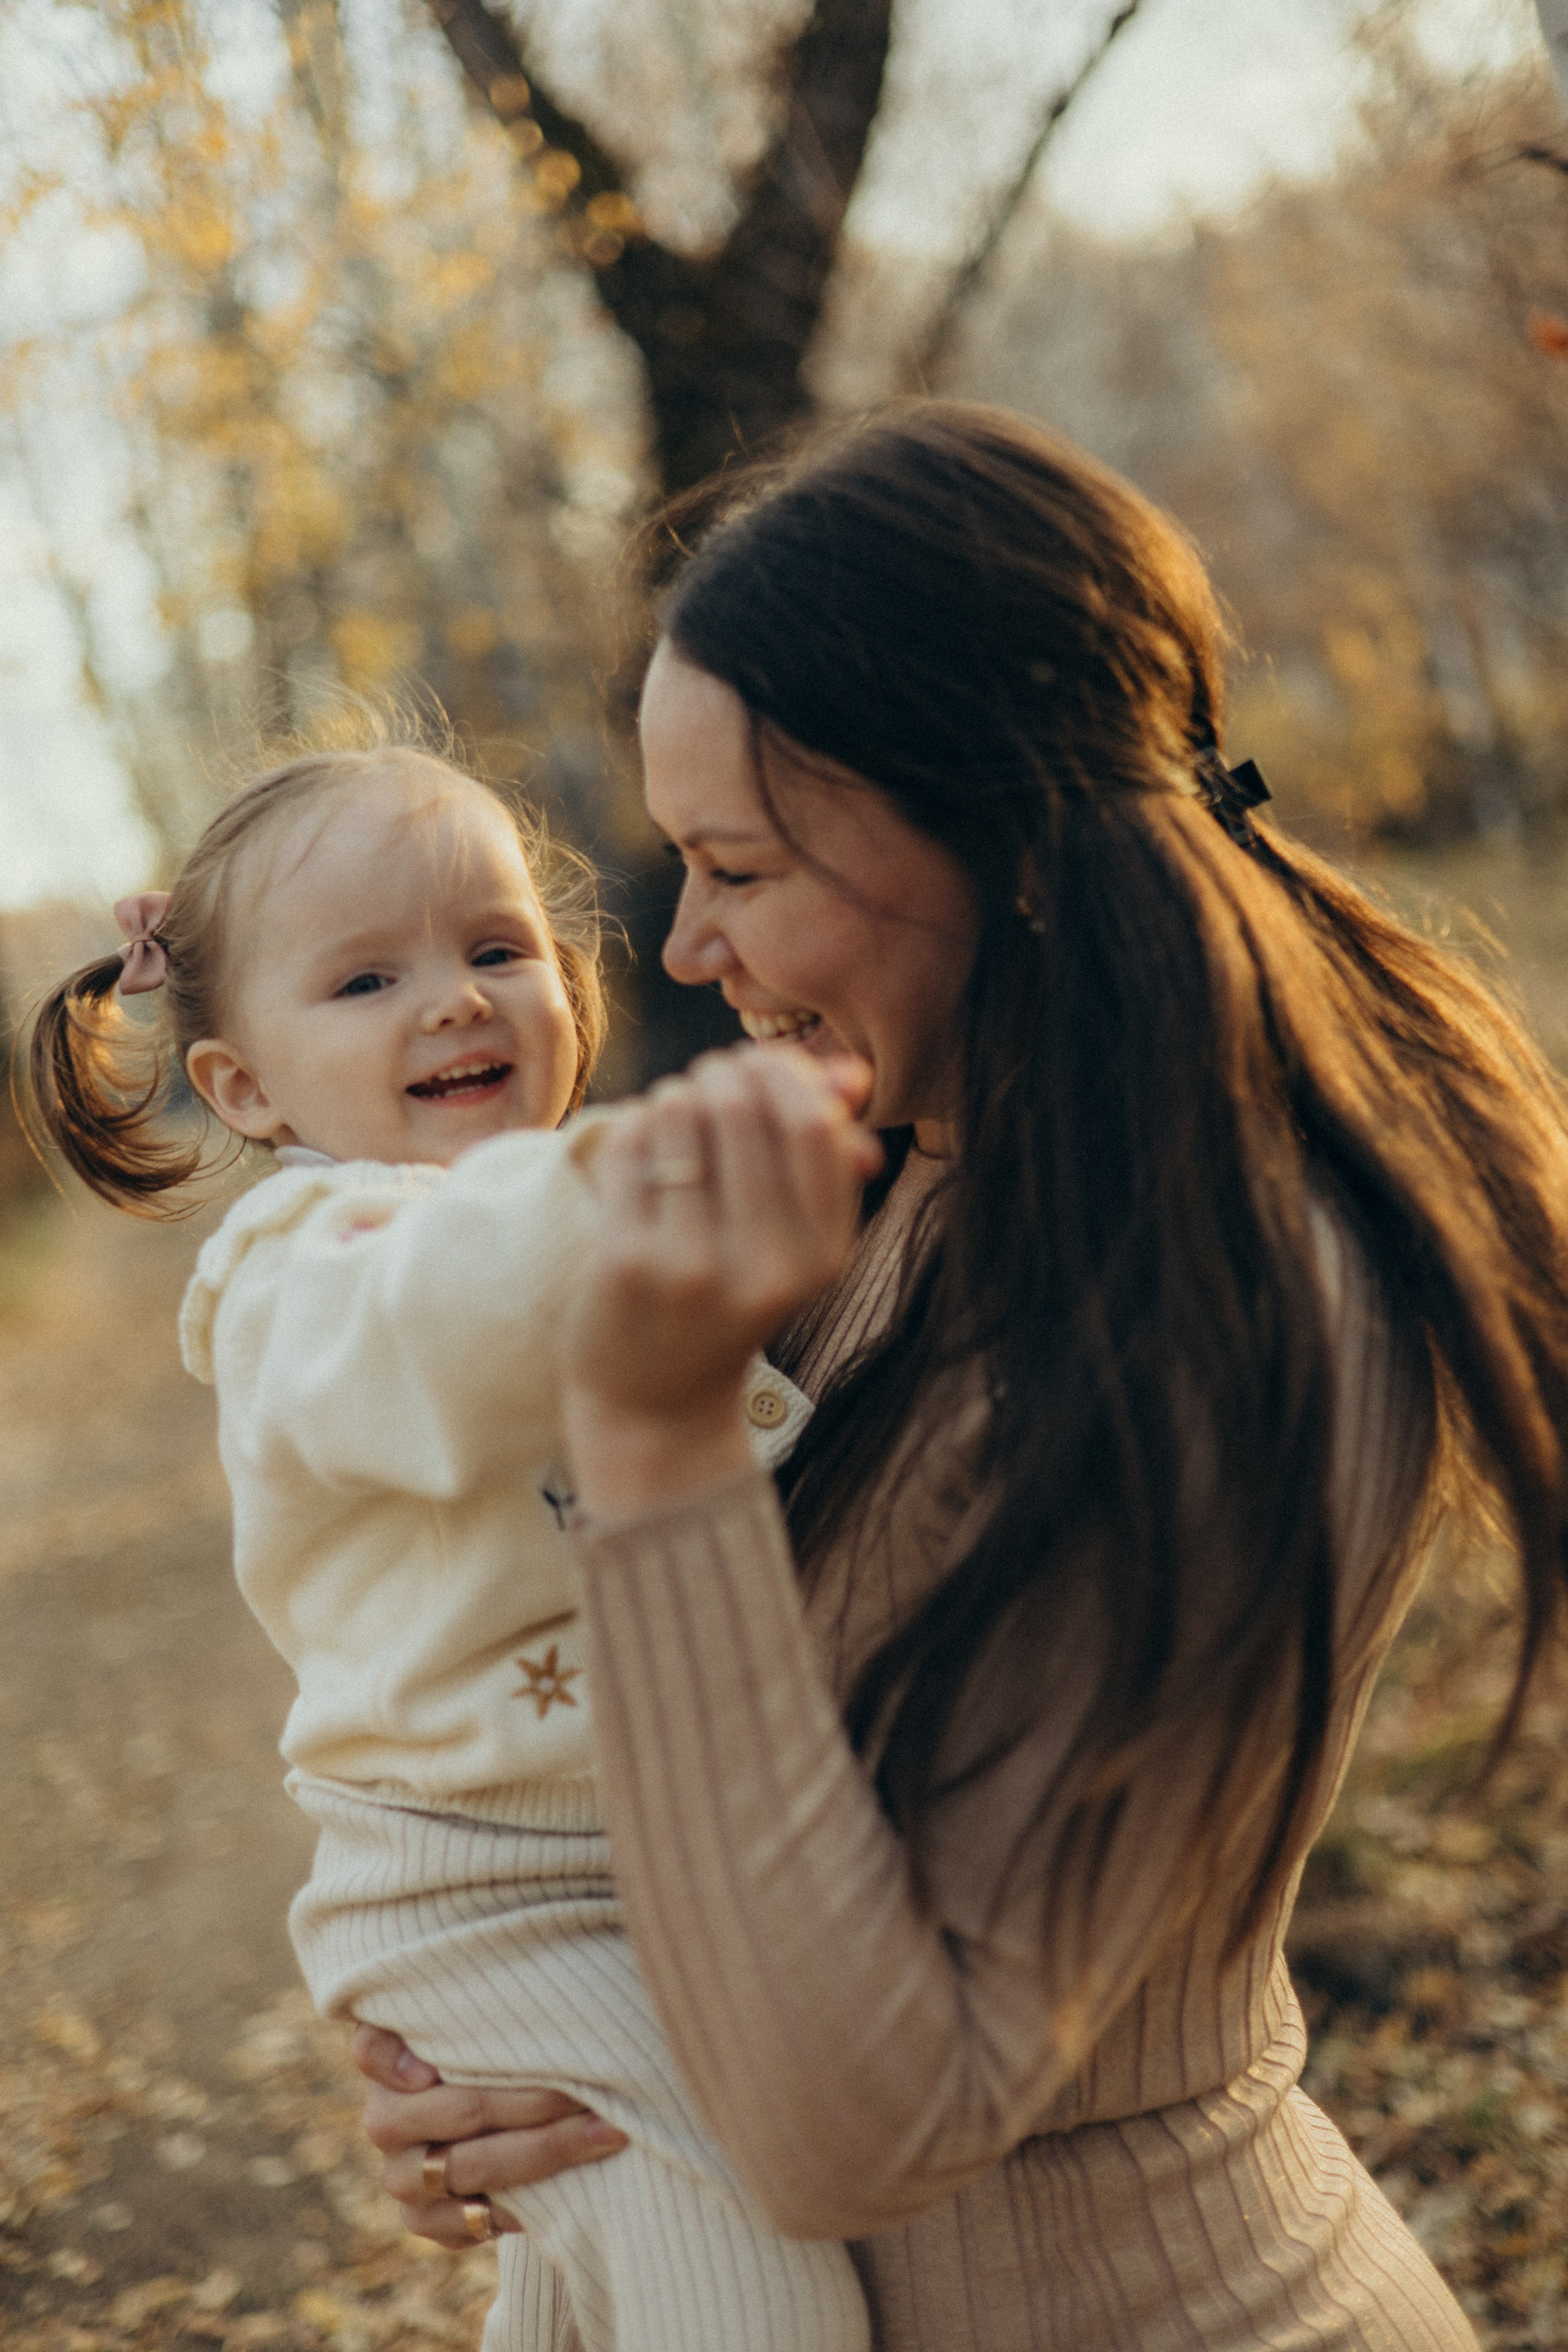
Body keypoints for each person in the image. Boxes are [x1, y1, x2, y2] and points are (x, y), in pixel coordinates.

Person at [354, 403, 1568, 2350]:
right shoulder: (902, 1179)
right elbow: (738, 1824)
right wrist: (533, 2078)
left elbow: (865, 2125)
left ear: (1000, 840)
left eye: (739, 868)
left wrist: (659, 1442)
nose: (687, 943)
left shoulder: (1241, 1307)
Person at [25, 740, 879, 2352]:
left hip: (630, 1874)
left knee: (587, 2278)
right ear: (246, 1090)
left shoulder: (533, 1212)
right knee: (756, 2284)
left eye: (498, 950)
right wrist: (626, 1171)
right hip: (490, 1890)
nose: (457, 1001)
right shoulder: (311, 1266)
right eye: (366, 980)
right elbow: (442, 1336)